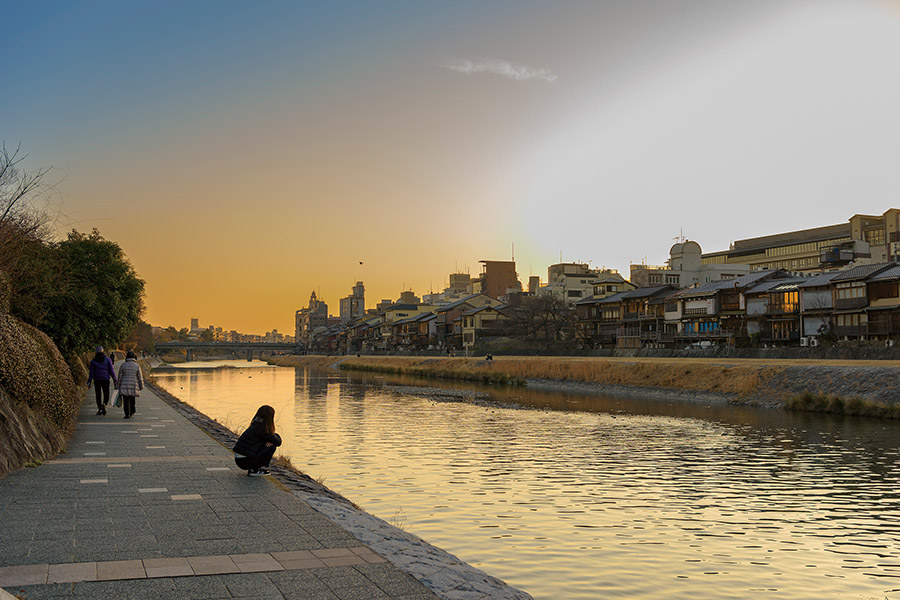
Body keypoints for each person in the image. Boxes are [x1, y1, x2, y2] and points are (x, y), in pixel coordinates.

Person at [233, 405, 282, 476]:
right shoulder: (263, 429)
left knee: (269, 443)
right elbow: (278, 442)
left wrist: (271, 439)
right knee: (272, 446)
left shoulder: (255, 425)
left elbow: (272, 438)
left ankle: (254, 468)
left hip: (240, 459)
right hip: (244, 461)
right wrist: (275, 436)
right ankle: (254, 470)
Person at [87, 346, 117, 415]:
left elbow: (91, 373)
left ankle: (100, 409)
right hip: (105, 379)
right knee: (106, 393)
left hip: (97, 380)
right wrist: (115, 379)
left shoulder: (93, 361)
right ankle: (104, 404)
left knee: (98, 395)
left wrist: (89, 382)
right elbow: (111, 371)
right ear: (103, 351)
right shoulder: (108, 360)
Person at [116, 350, 143, 419]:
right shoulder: (137, 366)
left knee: (126, 400)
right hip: (133, 384)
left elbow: (120, 376)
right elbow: (140, 377)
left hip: (124, 384)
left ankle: (127, 414)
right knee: (132, 398)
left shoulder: (123, 365)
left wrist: (118, 385)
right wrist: (141, 385)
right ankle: (132, 411)